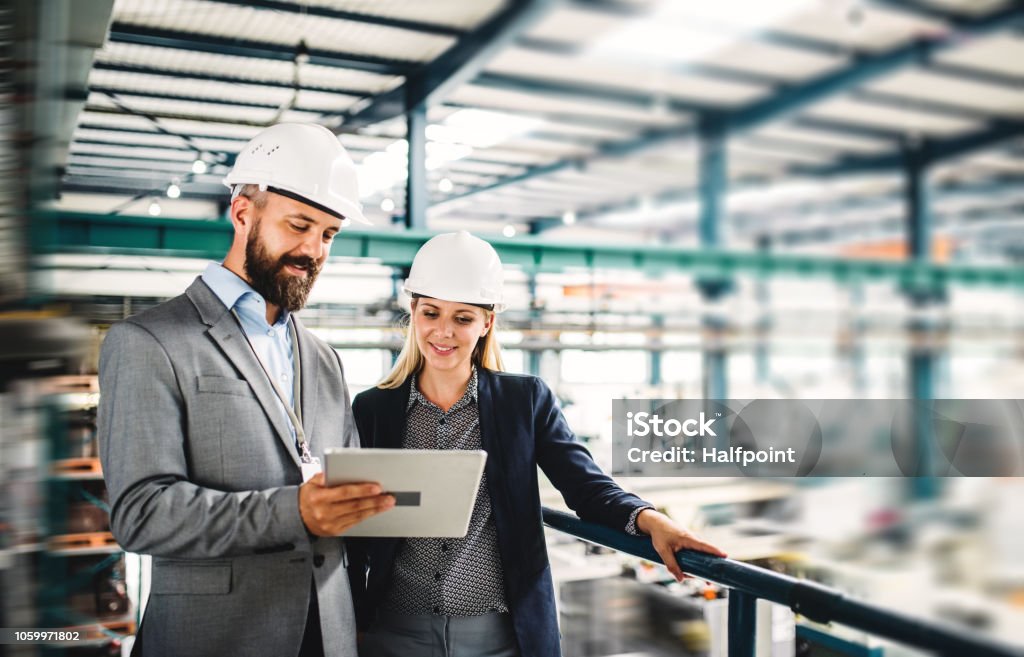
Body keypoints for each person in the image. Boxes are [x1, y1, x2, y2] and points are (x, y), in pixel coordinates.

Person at [350, 231, 726, 657]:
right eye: (431, 313)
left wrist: (651, 520)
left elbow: (585, 486)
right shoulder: (373, 409)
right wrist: (353, 619)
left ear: (487, 323)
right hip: (395, 630)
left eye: (463, 318)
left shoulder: (524, 401)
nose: (443, 332)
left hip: (498, 634)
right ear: (413, 312)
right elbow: (357, 524)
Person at [98, 123, 395, 657]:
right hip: (218, 637)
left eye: (328, 234)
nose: (313, 250)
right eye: (299, 225)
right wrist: (294, 512)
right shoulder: (148, 342)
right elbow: (141, 512)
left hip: (329, 634)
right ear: (242, 214)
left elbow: (340, 481)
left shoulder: (323, 358)